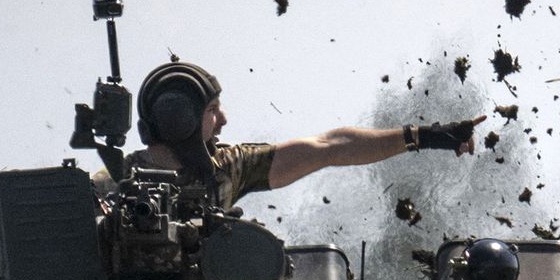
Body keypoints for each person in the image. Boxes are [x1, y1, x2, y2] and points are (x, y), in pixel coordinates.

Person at [93, 61, 484, 209]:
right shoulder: (111, 185)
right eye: (212, 111)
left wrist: (425, 136)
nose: (224, 120)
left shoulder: (228, 168)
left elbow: (331, 147)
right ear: (181, 122)